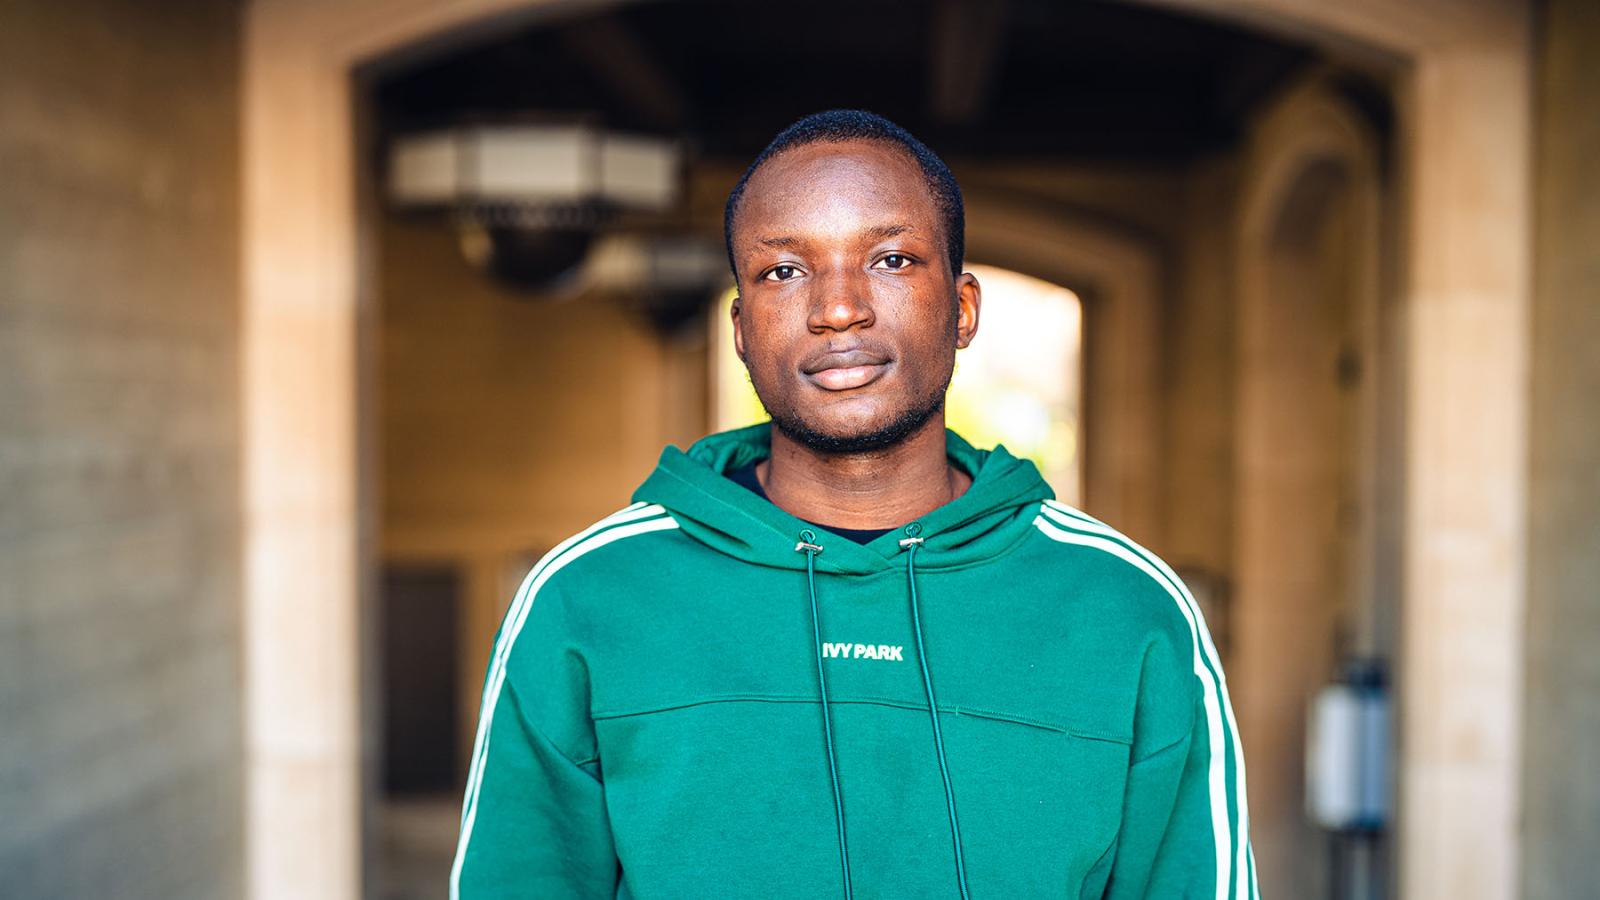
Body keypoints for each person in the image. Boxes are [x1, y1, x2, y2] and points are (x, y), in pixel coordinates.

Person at [450, 109, 1257, 899]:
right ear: (741, 328)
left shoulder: (1127, 610)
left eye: (892, 260)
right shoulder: (587, 599)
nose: (838, 308)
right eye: (784, 271)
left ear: (964, 307)